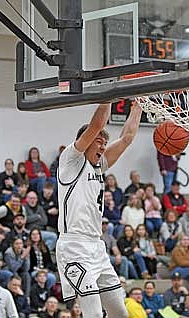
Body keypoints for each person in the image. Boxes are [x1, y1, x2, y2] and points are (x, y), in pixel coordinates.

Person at [56, 103, 142, 318]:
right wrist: (108, 97)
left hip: (96, 247)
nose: (103, 147)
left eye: (105, 143)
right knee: (93, 313)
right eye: (99, 142)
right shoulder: (70, 161)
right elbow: (96, 125)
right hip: (74, 247)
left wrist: (140, 102)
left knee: (120, 313)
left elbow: (126, 138)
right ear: (85, 141)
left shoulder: (99, 166)